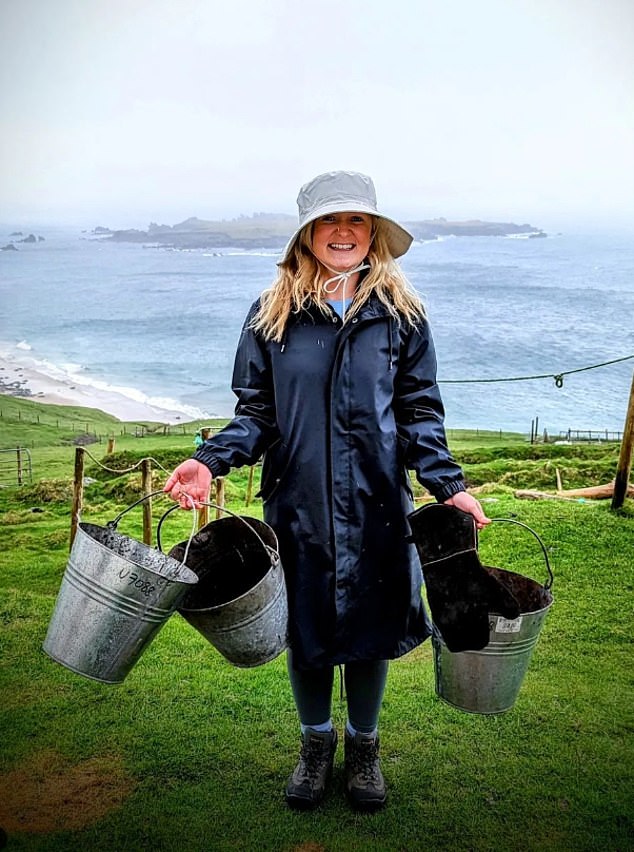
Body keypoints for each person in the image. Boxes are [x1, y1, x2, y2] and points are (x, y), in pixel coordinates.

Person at [163, 170, 489, 812]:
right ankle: (316, 745)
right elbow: (255, 412)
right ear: (308, 235)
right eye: (330, 222)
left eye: (357, 221)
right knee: (307, 632)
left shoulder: (403, 318)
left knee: (373, 628)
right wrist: (210, 460)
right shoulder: (270, 315)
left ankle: (363, 748)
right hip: (299, 505)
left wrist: (449, 487)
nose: (344, 232)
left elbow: (420, 411)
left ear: (373, 235)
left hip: (377, 505)